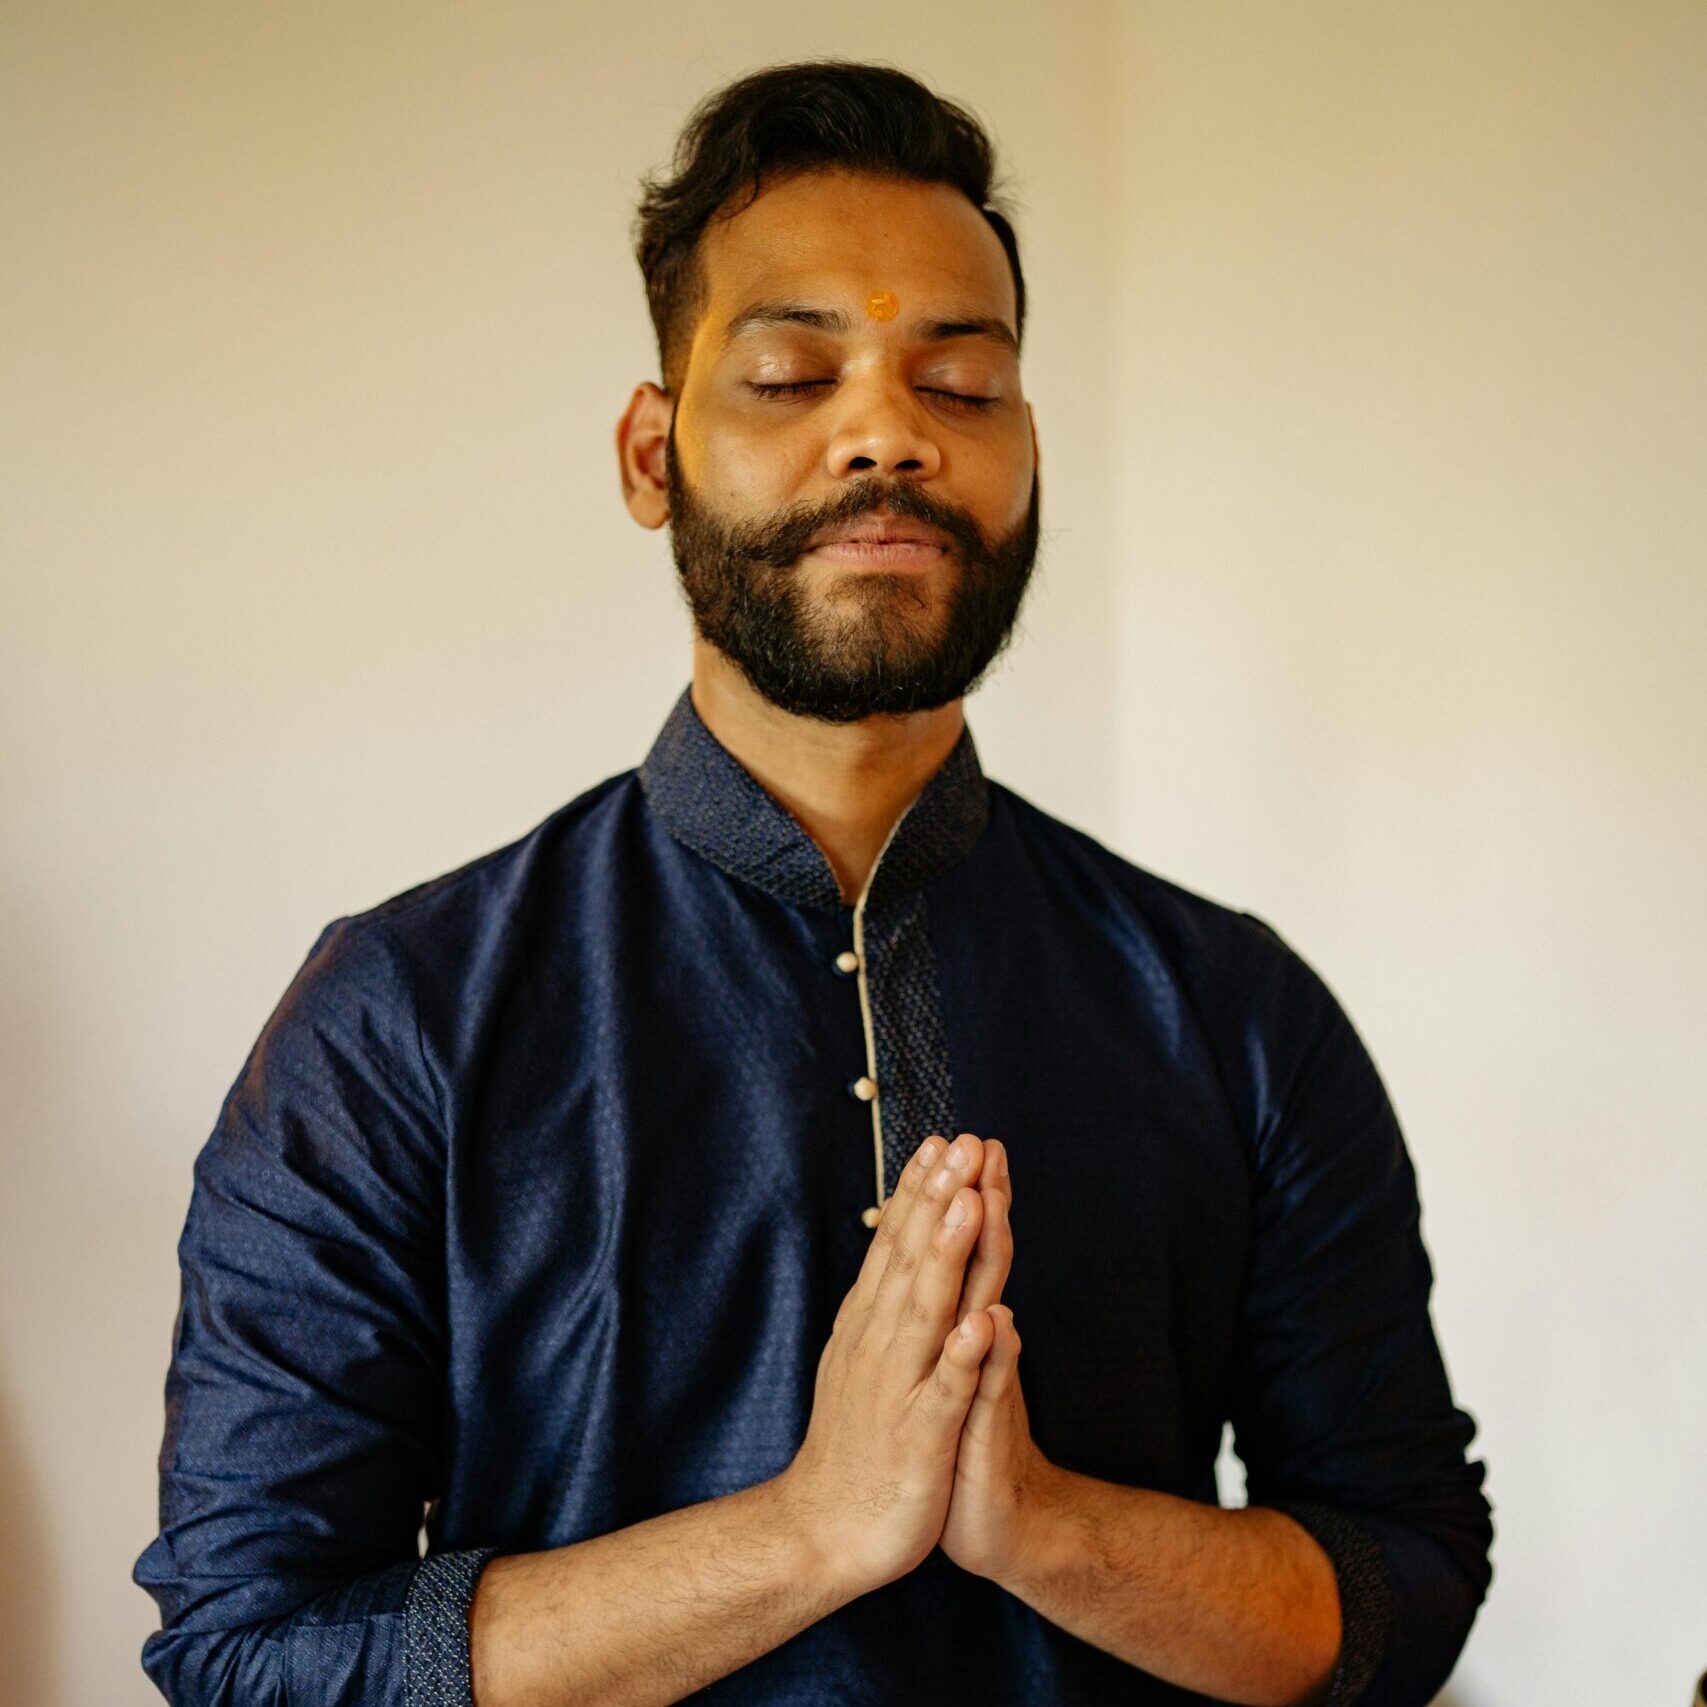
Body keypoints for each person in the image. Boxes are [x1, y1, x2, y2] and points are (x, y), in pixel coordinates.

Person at [133, 58, 1492, 1707]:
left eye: (964, 384)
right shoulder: (402, 1014)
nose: (888, 434)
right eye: (789, 373)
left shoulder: (1231, 1005)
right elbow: (249, 1654)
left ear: (1029, 457)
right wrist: (808, 1532)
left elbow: (1405, 1581)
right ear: (651, 456)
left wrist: (1050, 1530)